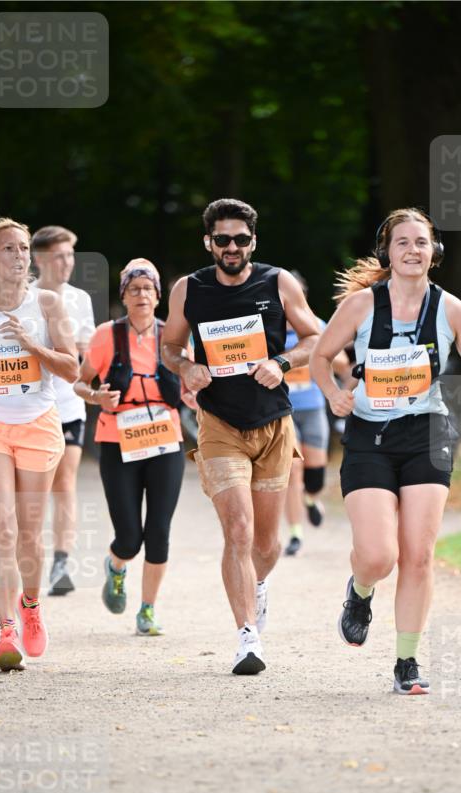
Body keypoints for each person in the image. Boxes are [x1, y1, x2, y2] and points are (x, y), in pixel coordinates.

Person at [310, 207, 461, 695]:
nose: (413, 250)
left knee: (418, 556)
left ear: (434, 252)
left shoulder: (451, 308)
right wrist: (334, 394)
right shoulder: (360, 306)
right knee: (378, 556)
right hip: (369, 434)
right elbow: (319, 356)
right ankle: (360, 590)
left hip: (427, 434)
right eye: (402, 242)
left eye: (422, 242)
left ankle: (406, 661)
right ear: (386, 251)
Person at [162, 198, 320, 675]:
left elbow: (316, 339)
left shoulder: (277, 282)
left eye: (241, 239)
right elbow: (169, 346)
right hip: (219, 425)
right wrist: (187, 367)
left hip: (272, 424)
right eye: (223, 239)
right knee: (238, 530)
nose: (233, 247)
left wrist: (281, 363)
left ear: (254, 241)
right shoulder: (189, 288)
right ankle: (247, 637)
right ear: (208, 242)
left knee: (267, 545)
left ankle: (258, 584)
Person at [0, 217, 78, 670]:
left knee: (28, 532)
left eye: (24, 248)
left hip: (37, 424)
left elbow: (72, 369)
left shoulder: (47, 304)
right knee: (2, 528)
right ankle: (5, 630)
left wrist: (32, 344)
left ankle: (30, 604)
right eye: (8, 248)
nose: (19, 255)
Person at [74, 258, 187, 637]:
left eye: (148, 289)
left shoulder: (173, 335)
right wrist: (96, 397)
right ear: (123, 295)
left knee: (159, 532)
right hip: (117, 439)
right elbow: (80, 382)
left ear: (158, 296)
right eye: (134, 289)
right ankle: (117, 567)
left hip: (164, 439)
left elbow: (191, 382)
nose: (142, 295)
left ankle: (148, 610)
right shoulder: (107, 335)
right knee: (128, 537)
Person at [31, 225, 96, 595]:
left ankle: (60, 564)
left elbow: (88, 350)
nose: (67, 262)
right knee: (32, 490)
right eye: (59, 255)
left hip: (69, 404)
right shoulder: (23, 298)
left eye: (71, 255)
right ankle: (25, 555)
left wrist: (82, 347)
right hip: (28, 408)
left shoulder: (79, 299)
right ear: (40, 259)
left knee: (65, 481)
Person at [282, 270, 348, 556]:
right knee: (292, 470)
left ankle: (311, 500)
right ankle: (296, 534)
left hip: (313, 408)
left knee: (315, 477)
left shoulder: (316, 326)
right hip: (283, 412)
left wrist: (324, 360)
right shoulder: (269, 330)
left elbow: (343, 363)